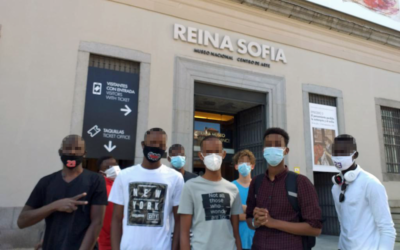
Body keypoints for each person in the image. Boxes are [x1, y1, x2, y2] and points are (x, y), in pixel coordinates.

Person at [17, 135, 108, 250]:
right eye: (68, 148)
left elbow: (97, 222)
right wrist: (54, 206)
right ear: (60, 152)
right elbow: (22, 221)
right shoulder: (46, 182)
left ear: (84, 153)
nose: (73, 152)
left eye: (77, 149)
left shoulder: (95, 180)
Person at [246, 127, 322, 250]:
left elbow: (315, 228)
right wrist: (256, 222)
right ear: (263, 150)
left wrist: (273, 222)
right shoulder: (256, 182)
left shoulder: (301, 182)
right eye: (268, 146)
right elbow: (249, 219)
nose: (272, 149)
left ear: (286, 150)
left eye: (277, 145)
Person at [109, 128, 184, 250]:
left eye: (161, 145)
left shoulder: (175, 177)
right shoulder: (124, 175)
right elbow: (116, 219)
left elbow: (179, 220)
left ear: (165, 148)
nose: (156, 147)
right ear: (143, 145)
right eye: (152, 143)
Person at [331, 134, 396, 250]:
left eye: (343, 152)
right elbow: (343, 224)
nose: (338, 156)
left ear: (355, 155)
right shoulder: (336, 187)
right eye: (335, 152)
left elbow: (387, 228)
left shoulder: (370, 183)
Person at [179, 135, 243, 250]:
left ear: (223, 154)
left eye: (217, 152)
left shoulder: (232, 188)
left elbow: (235, 232)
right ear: (200, 155)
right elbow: (184, 233)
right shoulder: (190, 187)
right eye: (208, 152)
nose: (213, 156)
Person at [232, 150, 256, 250]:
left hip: (256, 240)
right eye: (241, 162)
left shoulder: (259, 186)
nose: (244, 165)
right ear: (236, 166)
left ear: (252, 166)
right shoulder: (230, 187)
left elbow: (263, 213)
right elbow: (230, 215)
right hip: (236, 242)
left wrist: (242, 212)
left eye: (247, 162)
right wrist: (252, 213)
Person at [97, 156, 120, 250]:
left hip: (123, 239)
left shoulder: (123, 185)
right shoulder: (99, 187)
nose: (113, 168)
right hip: (104, 242)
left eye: (115, 165)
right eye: (108, 167)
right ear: (101, 172)